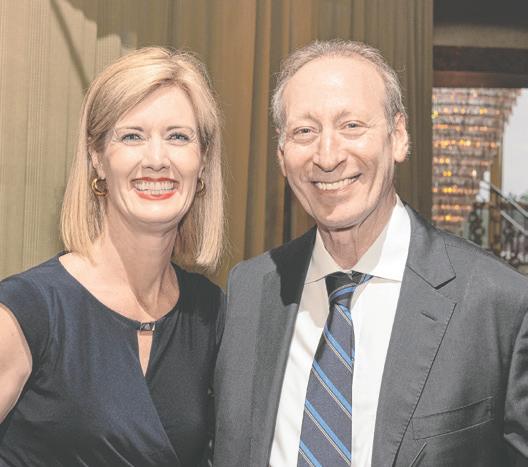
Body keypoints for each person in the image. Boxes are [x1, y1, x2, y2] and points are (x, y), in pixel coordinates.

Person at [213, 40, 528, 466]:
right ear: (282, 156)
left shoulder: (498, 304)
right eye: (305, 131)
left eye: (352, 125)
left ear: (398, 137)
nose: (327, 156)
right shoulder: (250, 291)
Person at [0, 47, 225, 466]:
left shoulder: (210, 314)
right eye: (132, 136)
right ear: (97, 157)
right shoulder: (27, 311)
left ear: (202, 160)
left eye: (178, 137)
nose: (156, 159)